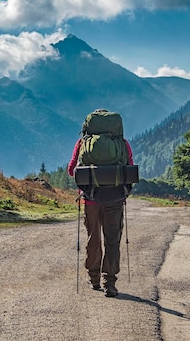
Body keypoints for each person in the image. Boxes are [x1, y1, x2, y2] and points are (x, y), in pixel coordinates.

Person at [67, 113, 134, 297]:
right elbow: (130, 167)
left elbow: (72, 169)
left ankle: (94, 278)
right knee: (112, 240)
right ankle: (110, 283)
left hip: (90, 199)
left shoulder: (83, 144)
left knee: (93, 239)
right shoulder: (122, 143)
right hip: (115, 199)